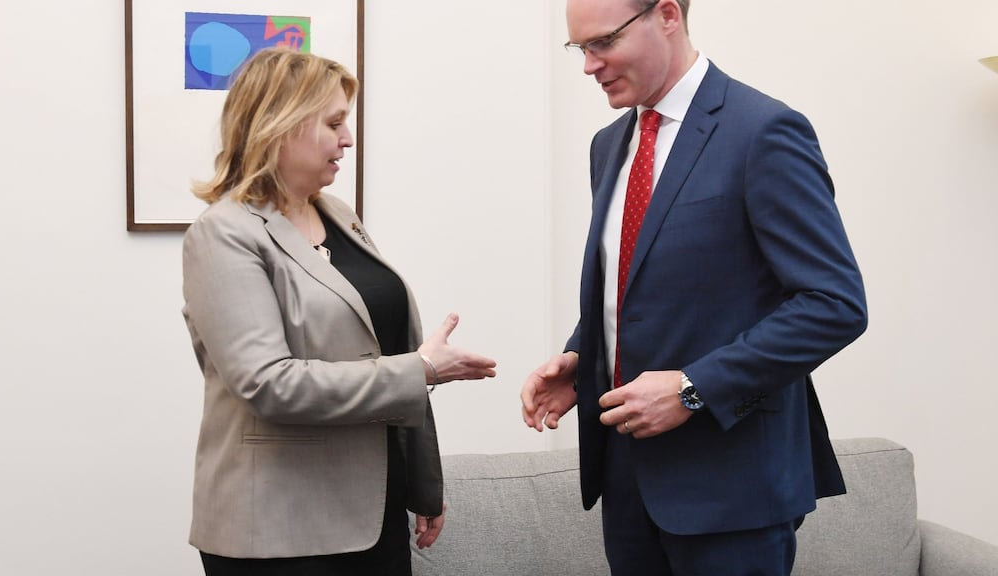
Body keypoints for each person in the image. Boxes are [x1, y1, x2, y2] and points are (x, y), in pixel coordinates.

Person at [520, 1, 868, 574]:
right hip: (626, 479)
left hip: (733, 488)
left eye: (602, 42)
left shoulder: (764, 130)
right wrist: (583, 357)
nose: (588, 65)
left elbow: (833, 305)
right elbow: (638, 278)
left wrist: (692, 388)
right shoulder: (608, 146)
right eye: (579, 48)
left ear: (667, 15)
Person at [182, 47, 497, 576]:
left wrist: (420, 482)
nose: (347, 140)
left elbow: (384, 349)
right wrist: (422, 370)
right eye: (333, 123)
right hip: (278, 532)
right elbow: (268, 384)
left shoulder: (339, 215)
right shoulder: (223, 234)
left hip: (373, 513)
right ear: (279, 126)